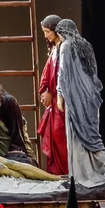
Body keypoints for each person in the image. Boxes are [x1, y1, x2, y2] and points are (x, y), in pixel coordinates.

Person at [54, 18, 105, 187]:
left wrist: (60, 95)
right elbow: (93, 71)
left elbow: (63, 74)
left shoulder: (66, 46)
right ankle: (96, 171)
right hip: (90, 95)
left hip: (76, 96)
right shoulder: (86, 45)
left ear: (62, 32)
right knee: (89, 132)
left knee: (79, 135)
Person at [0, 72, 37, 165]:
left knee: (23, 163)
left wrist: (16, 148)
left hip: (12, 145)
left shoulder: (9, 101)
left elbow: (16, 129)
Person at [38, 15, 68, 176]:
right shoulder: (55, 48)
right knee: (54, 136)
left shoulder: (65, 48)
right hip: (54, 101)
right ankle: (57, 172)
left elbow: (62, 75)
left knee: (60, 136)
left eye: (48, 31)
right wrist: (45, 89)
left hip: (62, 102)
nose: (45, 35)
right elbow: (47, 72)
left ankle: (65, 172)